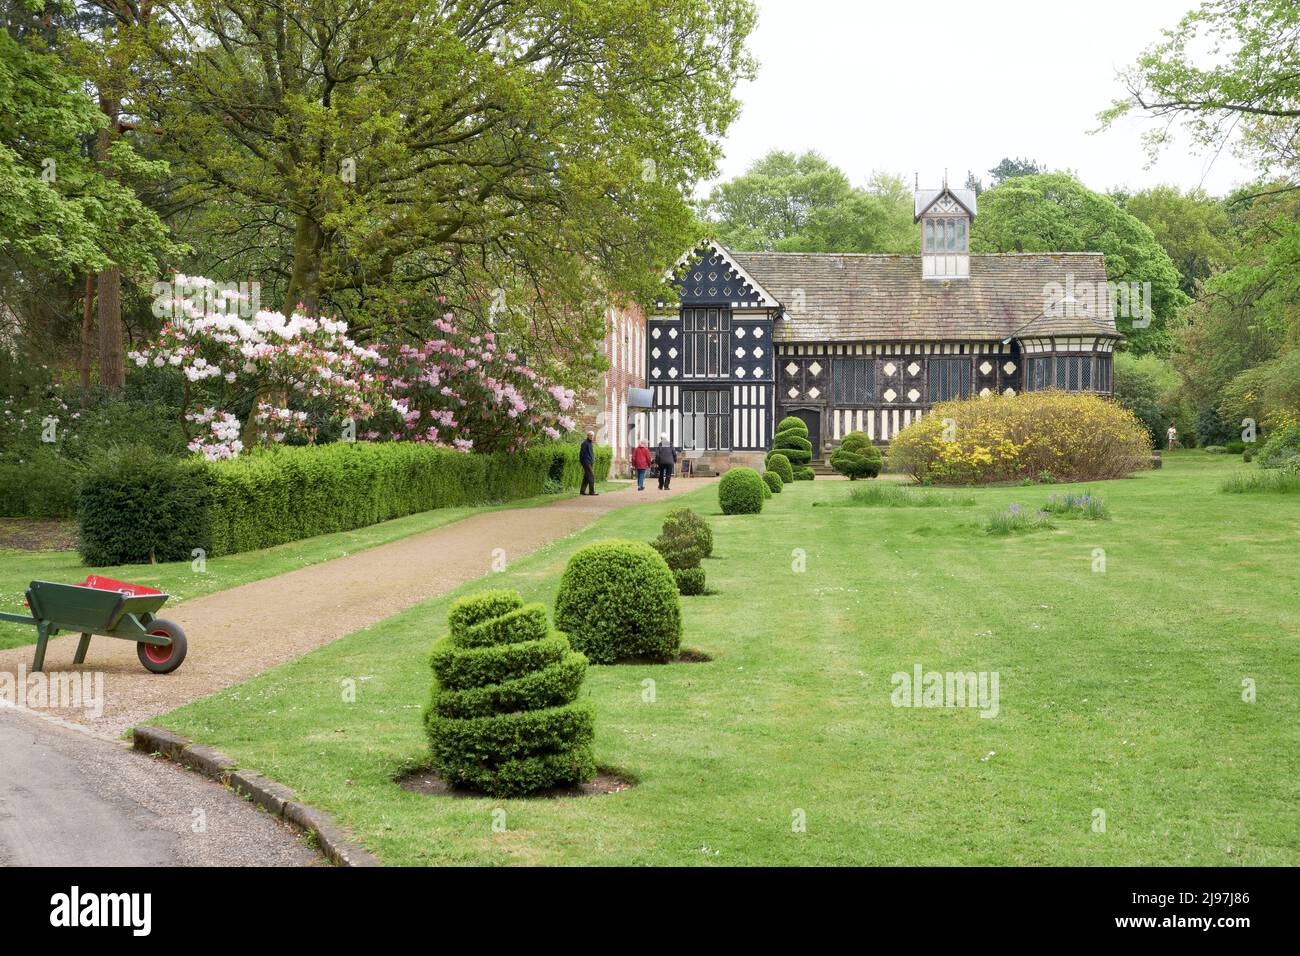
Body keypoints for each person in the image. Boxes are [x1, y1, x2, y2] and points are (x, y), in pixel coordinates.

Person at [579, 430, 597, 496]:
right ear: (588, 436)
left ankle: (582, 491)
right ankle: (591, 492)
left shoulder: (590, 443)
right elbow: (581, 454)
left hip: (590, 462)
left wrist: (592, 460)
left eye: (593, 435)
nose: (592, 437)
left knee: (586, 477)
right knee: (591, 476)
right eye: (591, 435)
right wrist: (582, 462)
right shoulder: (584, 443)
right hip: (586, 462)